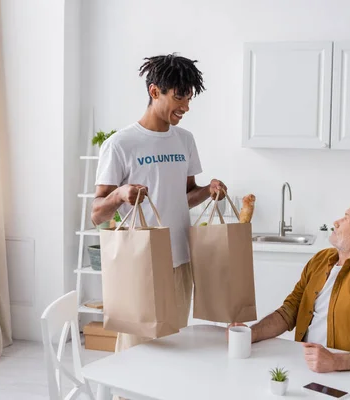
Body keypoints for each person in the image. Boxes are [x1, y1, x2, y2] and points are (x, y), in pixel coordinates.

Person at [91, 53, 227, 366]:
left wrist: (209, 192)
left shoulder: (185, 140)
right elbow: (97, 213)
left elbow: (185, 197)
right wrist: (120, 195)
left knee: (173, 353)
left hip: (180, 260)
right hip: (140, 263)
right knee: (136, 357)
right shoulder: (120, 144)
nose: (186, 107)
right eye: (179, 97)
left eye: (189, 98)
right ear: (155, 92)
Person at [232, 202, 350, 372]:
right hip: (306, 368)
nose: (337, 222)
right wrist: (251, 334)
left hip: (348, 376)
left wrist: (337, 361)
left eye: (346, 218)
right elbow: (289, 312)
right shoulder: (321, 259)